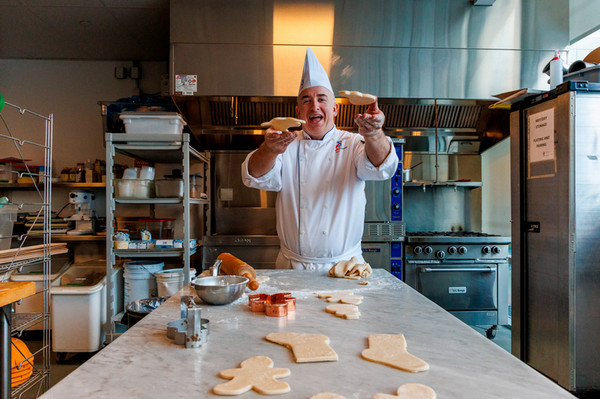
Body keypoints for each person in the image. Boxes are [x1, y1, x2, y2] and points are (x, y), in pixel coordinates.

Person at [241, 47, 398, 271]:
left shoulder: (352, 142)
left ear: (334, 109)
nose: (314, 106)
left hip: (345, 267)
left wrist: (373, 134)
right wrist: (268, 149)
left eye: (321, 99)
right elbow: (254, 177)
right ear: (298, 110)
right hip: (292, 268)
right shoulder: (284, 145)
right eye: (306, 100)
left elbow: (382, 167)